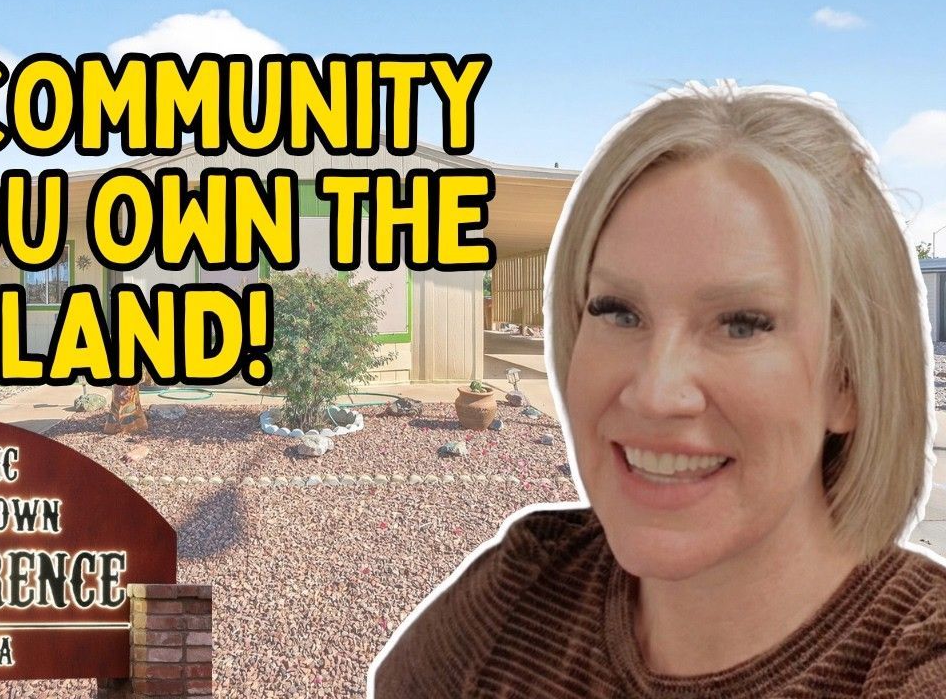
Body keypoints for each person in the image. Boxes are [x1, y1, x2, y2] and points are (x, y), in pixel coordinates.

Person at [369, 82, 946, 697]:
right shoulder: (514, 591)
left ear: (849, 381)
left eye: (742, 323)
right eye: (617, 311)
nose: (654, 393)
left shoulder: (916, 659)